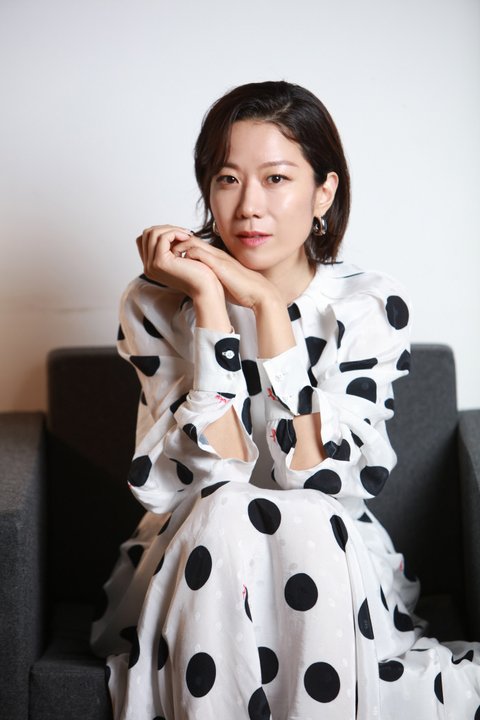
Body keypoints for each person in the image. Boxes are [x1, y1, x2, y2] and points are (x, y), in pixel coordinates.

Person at [90, 81, 480, 719]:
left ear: (324, 192)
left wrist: (269, 308)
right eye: (227, 179)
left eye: (276, 178)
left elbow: (318, 476)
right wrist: (212, 305)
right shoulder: (159, 301)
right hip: (201, 554)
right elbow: (204, 479)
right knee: (227, 507)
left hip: (327, 552)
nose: (249, 207)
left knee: (306, 513)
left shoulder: (366, 307)